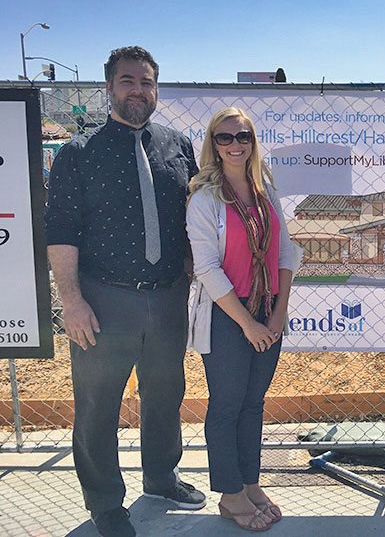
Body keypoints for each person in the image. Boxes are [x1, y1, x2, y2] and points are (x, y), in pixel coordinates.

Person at [46, 46, 205, 537]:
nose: (138, 90)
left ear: (156, 89)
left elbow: (192, 216)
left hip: (167, 296)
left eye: (146, 82)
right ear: (109, 87)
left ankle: (161, 477)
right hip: (102, 300)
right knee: (98, 405)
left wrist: (192, 269)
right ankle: (105, 503)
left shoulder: (178, 145)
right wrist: (72, 301)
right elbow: (61, 231)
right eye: (128, 81)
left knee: (165, 393)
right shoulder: (78, 153)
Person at [186, 107, 302, 532]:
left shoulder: (264, 190)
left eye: (243, 136)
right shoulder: (204, 199)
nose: (235, 144)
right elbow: (207, 268)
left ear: (252, 142)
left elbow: (286, 252)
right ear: (214, 146)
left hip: (267, 309)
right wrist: (246, 324)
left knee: (254, 403)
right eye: (225, 137)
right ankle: (230, 494)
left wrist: (278, 311)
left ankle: (250, 484)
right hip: (226, 314)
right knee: (227, 404)